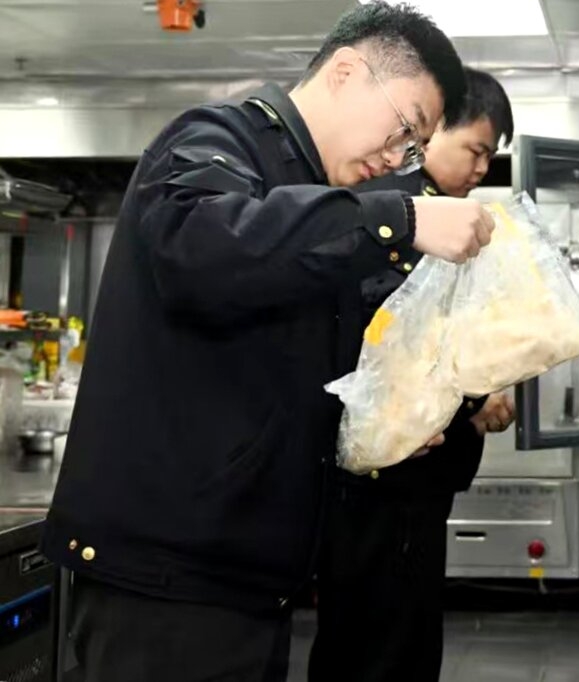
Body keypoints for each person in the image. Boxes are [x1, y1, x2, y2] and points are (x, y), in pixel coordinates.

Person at [42, 3, 498, 681]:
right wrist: (400, 218)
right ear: (347, 72)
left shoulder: (314, 196)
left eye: (412, 149)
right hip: (169, 582)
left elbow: (281, 371)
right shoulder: (215, 137)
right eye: (404, 128)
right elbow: (203, 250)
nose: (395, 158)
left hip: (246, 584)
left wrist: (386, 422)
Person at [307, 67, 517, 682]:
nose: (482, 169)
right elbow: (390, 346)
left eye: (491, 156)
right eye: (476, 149)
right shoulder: (401, 217)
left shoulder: (436, 216)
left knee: (395, 639)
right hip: (385, 484)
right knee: (382, 647)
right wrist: (475, 396)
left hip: (412, 481)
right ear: (436, 127)